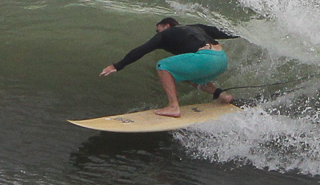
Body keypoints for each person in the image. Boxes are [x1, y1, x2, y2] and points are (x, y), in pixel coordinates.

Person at [99, 18, 239, 115]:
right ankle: (223, 95)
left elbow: (142, 49)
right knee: (183, 75)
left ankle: (173, 107)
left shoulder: (166, 33)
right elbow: (225, 32)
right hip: (221, 59)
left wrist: (117, 66)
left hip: (206, 58)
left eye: (157, 29)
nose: (157, 33)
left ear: (166, 26)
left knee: (162, 65)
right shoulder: (196, 27)